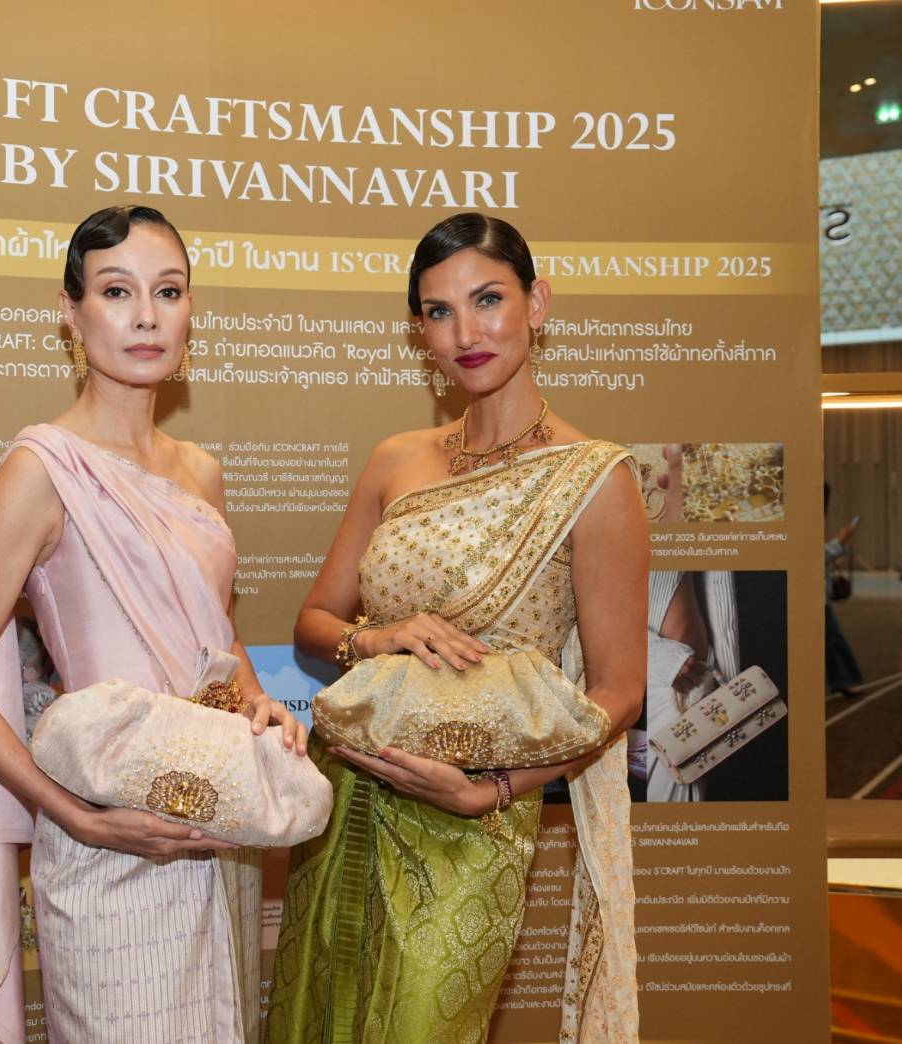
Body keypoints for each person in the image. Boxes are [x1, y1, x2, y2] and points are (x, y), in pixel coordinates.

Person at [0, 205, 307, 1044]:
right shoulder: (42, 469)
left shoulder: (200, 472)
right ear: (70, 309)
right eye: (117, 291)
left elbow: (217, 637)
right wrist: (73, 814)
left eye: (168, 291)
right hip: (106, 839)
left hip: (215, 822)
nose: (146, 316)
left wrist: (256, 702)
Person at [267, 214, 647, 1044]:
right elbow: (313, 626)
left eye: (488, 300)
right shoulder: (396, 459)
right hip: (350, 786)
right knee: (317, 1015)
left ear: (537, 303)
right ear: (420, 331)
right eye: (438, 312)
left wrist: (493, 791)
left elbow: (619, 694)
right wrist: (377, 637)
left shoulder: (594, 478)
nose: (465, 334)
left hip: (472, 819)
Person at [644, 570, 739, 802]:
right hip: (640, 675)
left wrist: (729, 686)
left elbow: (717, 580)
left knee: (681, 816)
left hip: (694, 681)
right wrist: (657, 655)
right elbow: (590, 598)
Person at [824, 484, 864, 699]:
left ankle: (844, 680)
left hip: (818, 595)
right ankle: (844, 680)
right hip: (811, 597)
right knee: (832, 639)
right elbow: (814, 555)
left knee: (831, 639)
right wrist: (840, 540)